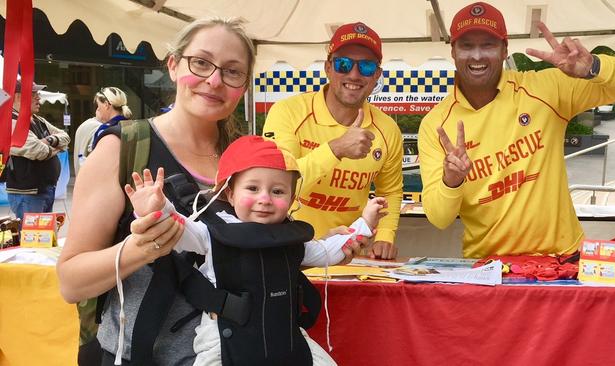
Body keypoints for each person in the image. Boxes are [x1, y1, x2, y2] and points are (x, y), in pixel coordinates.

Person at [57, 18, 330, 365]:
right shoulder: (122, 150)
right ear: (173, 65)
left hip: (242, 355)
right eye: (201, 63)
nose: (214, 81)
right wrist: (140, 249)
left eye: (232, 72)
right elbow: (71, 283)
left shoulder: (250, 157)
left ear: (243, 85)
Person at [418, 2, 615, 259]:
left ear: (505, 48)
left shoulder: (544, 89)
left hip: (562, 259)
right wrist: (452, 179)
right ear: (453, 50)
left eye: (488, 45)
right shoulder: (435, 124)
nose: (476, 56)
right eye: (466, 45)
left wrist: (592, 67)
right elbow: (439, 218)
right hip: (489, 269)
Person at [124, 135, 382, 365]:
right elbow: (177, 231)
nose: (265, 198)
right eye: (252, 188)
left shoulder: (292, 239)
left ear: (292, 200)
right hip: (223, 341)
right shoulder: (212, 232)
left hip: (285, 337)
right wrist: (156, 209)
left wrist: (365, 223)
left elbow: (329, 250)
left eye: (278, 191)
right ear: (230, 194)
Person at [263, 22, 403, 259]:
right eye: (344, 64)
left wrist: (384, 237)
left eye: (367, 67)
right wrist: (335, 149)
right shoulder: (287, 112)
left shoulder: (387, 129)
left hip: (347, 253)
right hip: (289, 250)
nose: (354, 75)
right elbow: (275, 185)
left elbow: (389, 190)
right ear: (328, 68)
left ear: (377, 74)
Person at [5, 79, 70, 222]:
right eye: (33, 93)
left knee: (43, 239)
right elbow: (40, 152)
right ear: (17, 96)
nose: (38, 97)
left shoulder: (37, 119)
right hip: (27, 193)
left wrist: (50, 141)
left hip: (43, 190)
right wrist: (55, 146)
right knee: (31, 240)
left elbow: (65, 136)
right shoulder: (11, 121)